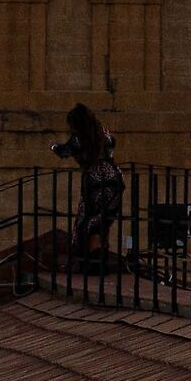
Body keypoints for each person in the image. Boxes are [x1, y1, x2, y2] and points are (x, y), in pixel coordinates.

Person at [50, 102, 123, 272]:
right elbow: (112, 144)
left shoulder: (79, 137)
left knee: (88, 223)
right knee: (102, 222)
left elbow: (64, 152)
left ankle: (92, 263)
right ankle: (100, 261)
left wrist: (53, 146)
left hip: (95, 184)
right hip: (114, 181)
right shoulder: (103, 133)